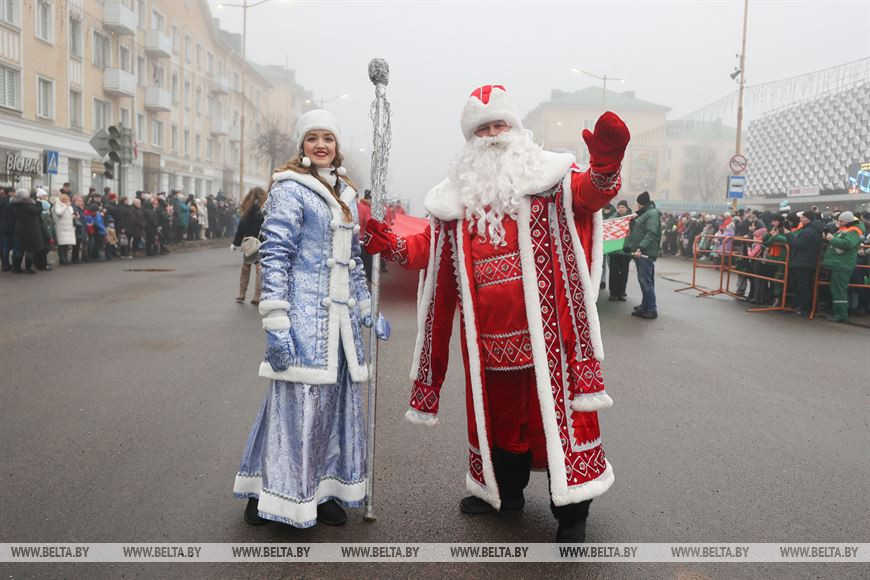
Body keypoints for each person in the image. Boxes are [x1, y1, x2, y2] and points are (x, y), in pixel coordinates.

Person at [365, 85, 628, 542]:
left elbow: (589, 196)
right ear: (470, 139)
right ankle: (505, 493)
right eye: (482, 128)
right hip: (488, 341)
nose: (491, 135)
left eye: (499, 125)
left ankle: (572, 512)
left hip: (551, 336)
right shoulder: (456, 197)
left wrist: (606, 165)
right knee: (501, 422)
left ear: (516, 129)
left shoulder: (549, 176)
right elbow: (429, 247)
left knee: (559, 421)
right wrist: (393, 246)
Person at [234, 109, 388, 529]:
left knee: (332, 408)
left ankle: (322, 490)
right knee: (295, 409)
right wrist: (277, 321)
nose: (321, 145)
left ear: (337, 147)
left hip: (339, 328)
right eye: (312, 138)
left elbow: (353, 261)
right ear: (301, 146)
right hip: (303, 321)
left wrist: (365, 308)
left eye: (328, 139)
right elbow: (275, 255)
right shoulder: (290, 189)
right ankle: (270, 490)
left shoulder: (346, 194)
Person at [822, 211, 865, 322]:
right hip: (839, 263)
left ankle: (841, 315)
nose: (838, 223)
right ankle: (839, 314)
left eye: (841, 221)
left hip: (843, 264)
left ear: (847, 222)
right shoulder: (847, 229)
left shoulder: (854, 231)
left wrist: (832, 239)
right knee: (837, 289)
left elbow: (848, 244)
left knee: (839, 290)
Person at [624, 191, 661, 319]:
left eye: (638, 204)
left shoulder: (652, 214)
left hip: (645, 253)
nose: (637, 206)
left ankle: (651, 308)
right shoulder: (646, 213)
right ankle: (645, 306)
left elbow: (651, 233)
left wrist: (641, 247)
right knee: (644, 281)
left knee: (646, 282)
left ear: (641, 203)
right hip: (641, 252)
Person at [231, 187, 266, 305]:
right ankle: (257, 296)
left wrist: (235, 243)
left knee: (245, 267)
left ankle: (242, 294)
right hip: (263, 242)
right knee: (259, 269)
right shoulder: (267, 207)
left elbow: (242, 227)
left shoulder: (248, 208)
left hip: (249, 243)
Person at [788, 210, 823, 316]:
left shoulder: (808, 231)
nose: (800, 219)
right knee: (808, 286)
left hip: (803, 262)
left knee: (803, 286)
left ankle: (804, 308)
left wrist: (789, 236)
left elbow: (798, 245)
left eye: (802, 217)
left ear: (808, 219)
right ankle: (811, 307)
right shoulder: (814, 229)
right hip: (808, 261)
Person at [10, 189, 43, 274]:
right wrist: (39, 202)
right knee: (30, 249)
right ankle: (28, 268)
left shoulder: (15, 204)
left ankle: (16, 267)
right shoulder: (27, 204)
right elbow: (38, 211)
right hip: (30, 229)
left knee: (20, 249)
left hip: (19, 228)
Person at [608, 200, 632, 301]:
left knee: (624, 273)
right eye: (619, 207)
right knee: (613, 273)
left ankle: (621, 292)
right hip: (614, 250)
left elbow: (633, 234)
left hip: (626, 251)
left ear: (627, 208)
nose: (621, 209)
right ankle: (613, 293)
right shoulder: (613, 218)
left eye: (623, 207)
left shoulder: (631, 219)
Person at [52, 194, 76, 265]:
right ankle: (62, 259)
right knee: (61, 244)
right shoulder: (59, 206)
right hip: (61, 227)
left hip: (69, 227)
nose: (68, 201)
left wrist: (74, 216)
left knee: (66, 244)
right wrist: (65, 206)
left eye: (68, 200)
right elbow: (59, 213)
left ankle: (66, 258)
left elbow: (70, 215)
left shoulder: (69, 207)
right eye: (66, 200)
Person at [0, 187, 16, 272]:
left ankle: (4, 265)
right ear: (11, 192)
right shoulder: (12, 201)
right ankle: (14, 264)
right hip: (12, 226)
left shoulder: (1, 200)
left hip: (2, 226)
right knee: (14, 246)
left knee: (4, 246)